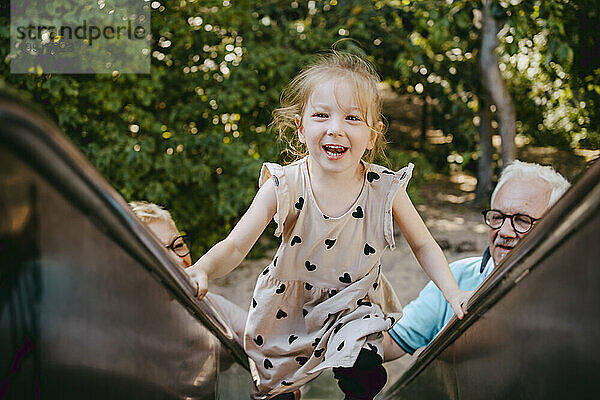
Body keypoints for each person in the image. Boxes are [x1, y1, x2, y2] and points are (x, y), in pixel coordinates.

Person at [185, 51, 471, 400]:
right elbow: (235, 246)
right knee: (274, 390)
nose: (336, 128)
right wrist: (202, 269)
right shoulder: (284, 185)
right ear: (301, 127)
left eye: (353, 118)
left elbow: (424, 245)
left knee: (363, 367)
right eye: (322, 115)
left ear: (373, 134)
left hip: (353, 304)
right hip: (288, 310)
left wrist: (452, 292)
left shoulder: (384, 187)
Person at [383, 160, 571, 361]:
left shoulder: (574, 296)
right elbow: (394, 342)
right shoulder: (455, 278)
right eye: (497, 217)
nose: (505, 232)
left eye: (522, 220)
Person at [128, 201, 246, 347]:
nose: (178, 259)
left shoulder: (210, 304)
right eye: (159, 252)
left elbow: (260, 337)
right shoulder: (128, 323)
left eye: (178, 245)